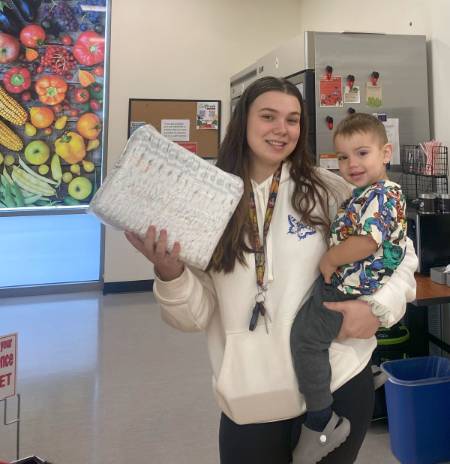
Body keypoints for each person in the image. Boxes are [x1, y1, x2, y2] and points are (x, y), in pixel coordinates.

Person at [125, 76, 417, 464]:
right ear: (242, 120)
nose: (282, 129)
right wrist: (170, 272)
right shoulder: (207, 200)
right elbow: (192, 317)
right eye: (268, 116)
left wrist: (378, 308)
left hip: (339, 383)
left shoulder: (328, 190)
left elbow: (401, 253)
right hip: (251, 399)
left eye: (293, 119)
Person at [290, 113, 407, 464]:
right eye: (343, 157)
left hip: (346, 286)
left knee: (306, 338)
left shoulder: (381, 194)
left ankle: (321, 420)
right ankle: (367, 367)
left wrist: (330, 259)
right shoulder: (367, 191)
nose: (351, 164)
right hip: (355, 284)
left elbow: (367, 242)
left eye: (361, 153)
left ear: (385, 153)